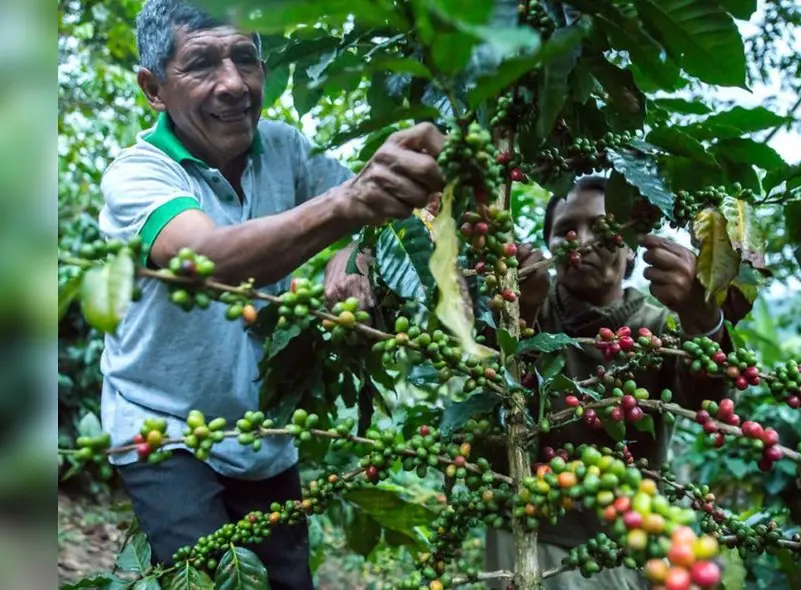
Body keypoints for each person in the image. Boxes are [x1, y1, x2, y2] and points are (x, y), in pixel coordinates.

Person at [96, 1, 445, 588]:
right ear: (154, 89)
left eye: (245, 58)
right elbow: (205, 262)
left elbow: (365, 224)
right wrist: (351, 203)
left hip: (263, 433)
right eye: (202, 63)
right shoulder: (138, 174)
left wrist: (353, 262)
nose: (232, 83)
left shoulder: (283, 148)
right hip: (162, 427)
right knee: (203, 576)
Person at [325, 176, 751, 588]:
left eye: (600, 227)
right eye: (566, 229)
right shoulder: (518, 307)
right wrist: (518, 321)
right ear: (547, 246)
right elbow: (488, 397)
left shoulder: (658, 329)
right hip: (521, 540)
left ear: (630, 254)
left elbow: (706, 404)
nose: (581, 240)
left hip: (619, 551)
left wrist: (702, 317)